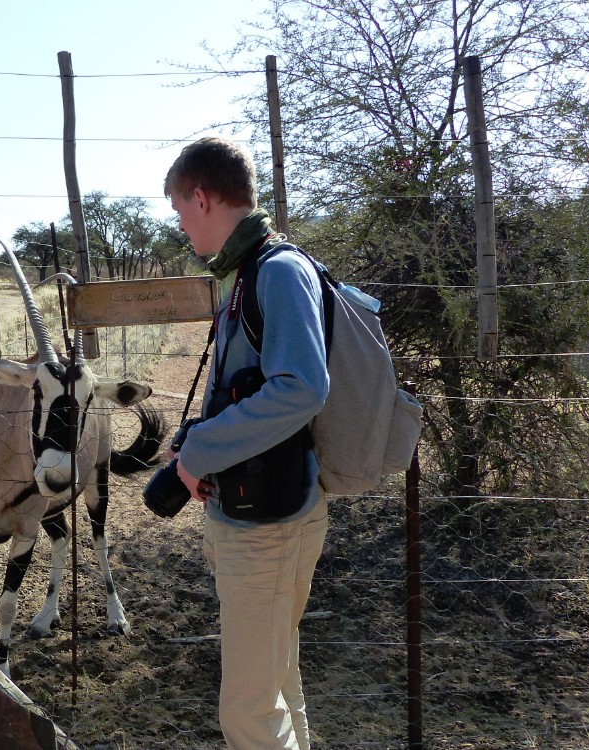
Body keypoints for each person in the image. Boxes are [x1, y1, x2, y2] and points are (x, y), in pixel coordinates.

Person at [164, 137, 330, 750]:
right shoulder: (249, 271)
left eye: (181, 211)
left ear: (202, 197)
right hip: (262, 512)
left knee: (248, 714)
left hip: (269, 529)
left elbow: (302, 388)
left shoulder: (276, 270)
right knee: (277, 686)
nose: (182, 226)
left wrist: (198, 452)